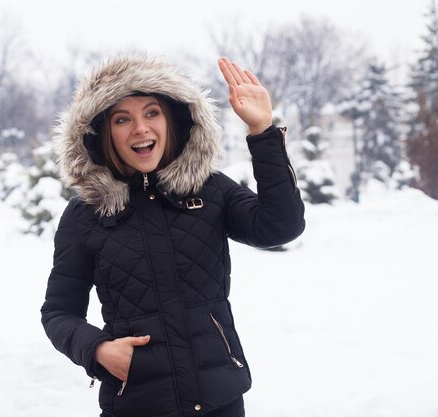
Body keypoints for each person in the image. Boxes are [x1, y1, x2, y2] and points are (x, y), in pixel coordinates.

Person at [41, 54, 305, 417]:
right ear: (103, 133)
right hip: (137, 404)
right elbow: (58, 312)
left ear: (172, 119)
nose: (140, 128)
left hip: (220, 401)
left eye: (152, 113)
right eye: (123, 119)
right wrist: (99, 350)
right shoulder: (86, 214)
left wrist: (263, 132)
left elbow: (281, 226)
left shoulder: (209, 190)